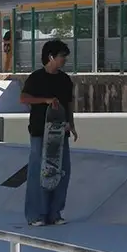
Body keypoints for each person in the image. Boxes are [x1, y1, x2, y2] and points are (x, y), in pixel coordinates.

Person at [19, 39, 78, 226]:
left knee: (61, 172)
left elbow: (69, 103)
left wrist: (72, 124)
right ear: (51, 57)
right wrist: (45, 100)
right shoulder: (36, 78)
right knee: (39, 172)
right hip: (39, 131)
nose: (64, 61)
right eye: (62, 57)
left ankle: (55, 213)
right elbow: (23, 98)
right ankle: (36, 214)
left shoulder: (65, 80)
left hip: (60, 133)